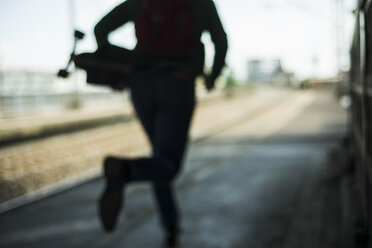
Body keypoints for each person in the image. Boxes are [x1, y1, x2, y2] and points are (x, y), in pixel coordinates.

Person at [95, 0, 227, 246]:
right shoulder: (202, 4)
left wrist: (118, 68)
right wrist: (213, 75)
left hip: (141, 85)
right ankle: (124, 171)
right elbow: (220, 40)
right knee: (169, 164)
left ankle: (170, 225)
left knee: (158, 156)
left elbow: (101, 28)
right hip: (178, 82)